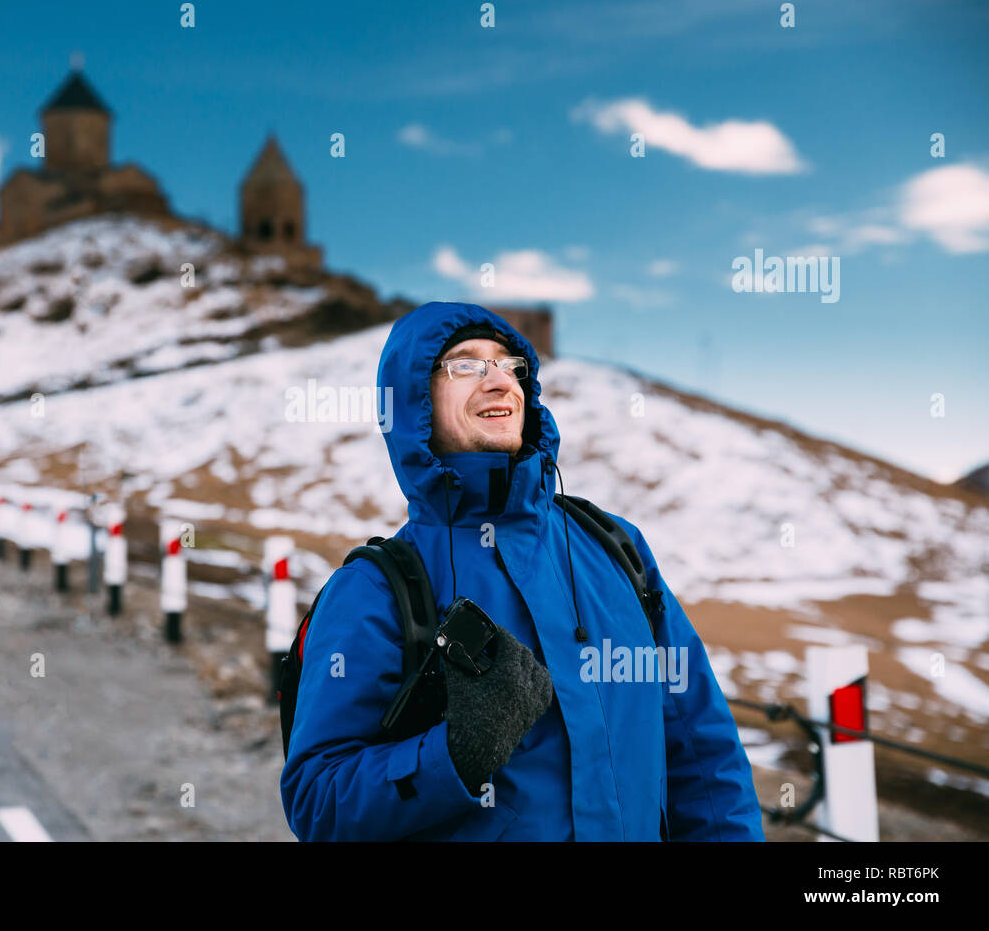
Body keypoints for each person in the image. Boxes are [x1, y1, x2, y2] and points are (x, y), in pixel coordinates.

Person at [279, 301, 765, 841]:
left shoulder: (616, 549)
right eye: (465, 365)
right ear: (412, 401)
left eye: (511, 366)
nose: (498, 382)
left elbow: (704, 752)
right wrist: (452, 756)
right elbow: (317, 801)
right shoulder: (376, 589)